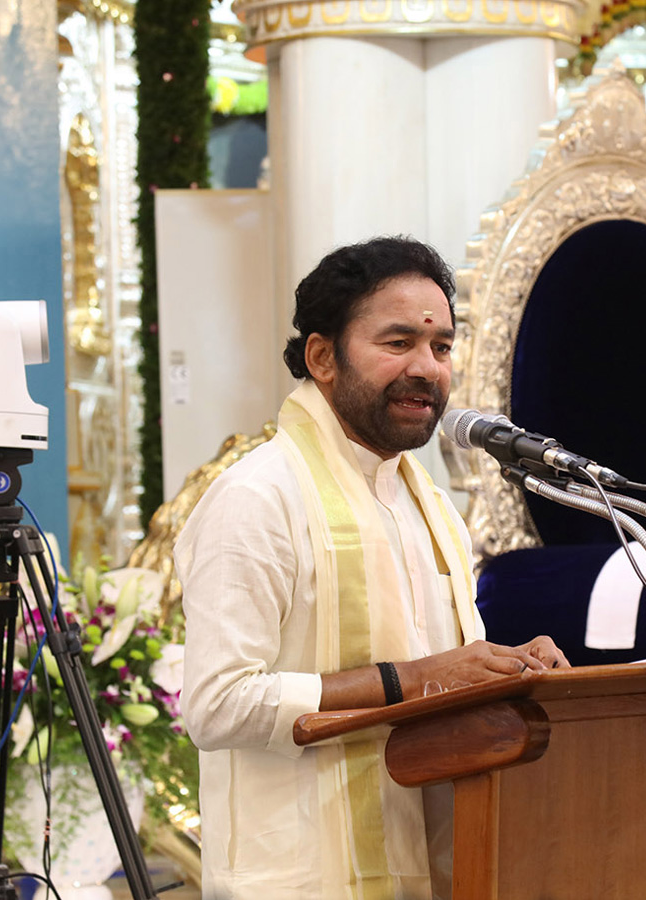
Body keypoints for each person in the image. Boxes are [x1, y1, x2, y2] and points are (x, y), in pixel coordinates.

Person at [176, 236, 567, 900]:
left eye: (441, 347)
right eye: (398, 343)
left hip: (436, 865)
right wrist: (409, 681)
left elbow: (447, 674)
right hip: (300, 880)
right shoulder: (257, 498)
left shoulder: (429, 505)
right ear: (322, 357)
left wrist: (509, 673)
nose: (427, 368)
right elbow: (217, 707)